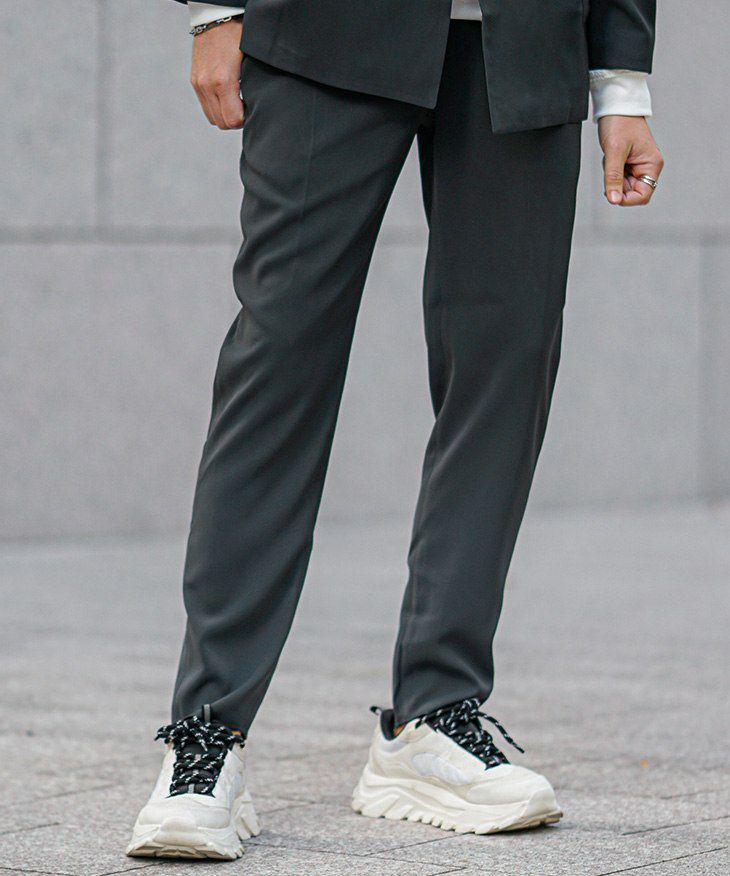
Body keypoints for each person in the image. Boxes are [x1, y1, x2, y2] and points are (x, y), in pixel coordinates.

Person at [127, 0, 663, 860]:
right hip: (325, 32)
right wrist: (214, 10)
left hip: (525, 44)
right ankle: (206, 731)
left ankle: (435, 715)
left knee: (505, 368)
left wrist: (623, 81)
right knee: (278, 363)